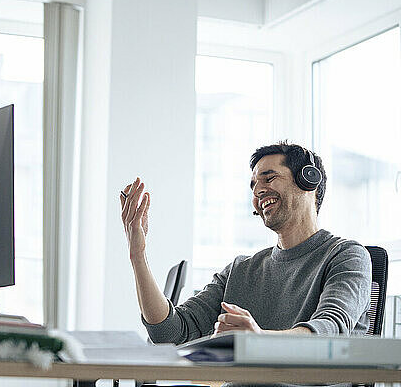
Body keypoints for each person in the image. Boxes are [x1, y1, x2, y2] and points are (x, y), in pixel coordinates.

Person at [120, 142, 371, 345]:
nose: (258, 191)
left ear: (308, 182)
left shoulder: (347, 256)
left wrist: (259, 341)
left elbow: (330, 333)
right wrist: (138, 256)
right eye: (254, 186)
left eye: (269, 178)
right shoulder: (239, 271)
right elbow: (169, 333)